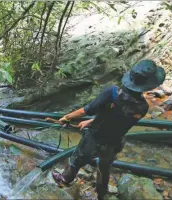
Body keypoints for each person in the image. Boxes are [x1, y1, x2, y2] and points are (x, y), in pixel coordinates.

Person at [51, 60, 165, 200]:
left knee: (77, 159)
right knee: (104, 169)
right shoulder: (142, 108)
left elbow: (87, 110)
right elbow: (118, 119)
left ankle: (65, 179)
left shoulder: (111, 93)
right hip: (113, 142)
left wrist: (67, 117)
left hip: (94, 138)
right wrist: (90, 121)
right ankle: (101, 194)